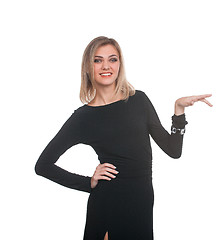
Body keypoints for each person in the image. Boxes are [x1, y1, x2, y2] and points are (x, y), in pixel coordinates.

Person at [34, 36, 212, 240]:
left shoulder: (139, 100)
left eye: (113, 59)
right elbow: (43, 165)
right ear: (88, 66)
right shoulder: (83, 118)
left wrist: (178, 112)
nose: (106, 66)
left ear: (120, 64)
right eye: (98, 60)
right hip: (108, 204)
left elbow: (173, 151)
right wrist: (88, 182)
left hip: (142, 203)